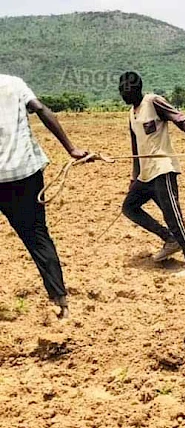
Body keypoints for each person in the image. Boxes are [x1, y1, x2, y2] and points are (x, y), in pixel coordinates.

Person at [0, 74, 89, 319]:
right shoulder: (14, 83)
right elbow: (40, 109)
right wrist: (71, 149)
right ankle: (61, 302)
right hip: (23, 174)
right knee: (37, 236)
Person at [118, 71, 185, 278]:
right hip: (146, 175)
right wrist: (134, 177)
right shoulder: (131, 115)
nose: (123, 94)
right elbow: (136, 150)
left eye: (127, 90)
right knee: (129, 207)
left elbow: (181, 119)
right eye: (121, 90)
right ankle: (170, 239)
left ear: (137, 89)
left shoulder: (153, 102)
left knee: (174, 217)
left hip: (162, 169)